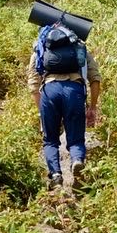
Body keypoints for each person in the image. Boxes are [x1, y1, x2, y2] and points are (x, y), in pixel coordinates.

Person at [26, 31, 102, 190]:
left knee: (50, 139)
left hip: (50, 90)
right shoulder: (78, 45)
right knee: (76, 137)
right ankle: (77, 161)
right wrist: (93, 107)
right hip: (74, 90)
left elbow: (33, 84)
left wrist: (42, 111)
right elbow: (95, 78)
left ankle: (56, 176)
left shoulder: (41, 45)